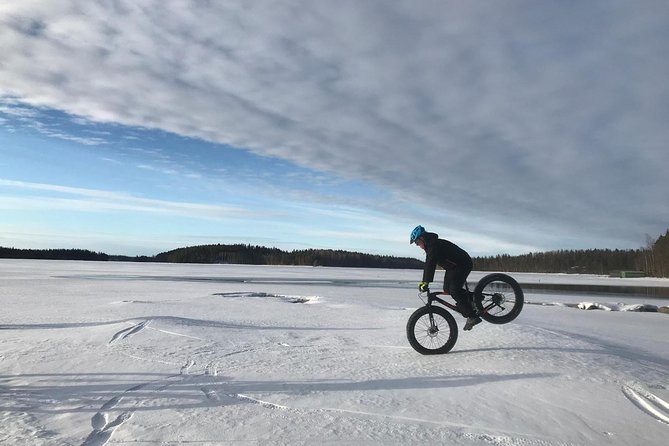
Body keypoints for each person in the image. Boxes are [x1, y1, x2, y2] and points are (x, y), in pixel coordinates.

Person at [410, 225, 481, 331]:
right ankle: (473, 298)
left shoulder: (433, 245)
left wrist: (426, 282)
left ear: (422, 238)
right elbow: (429, 263)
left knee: (454, 290)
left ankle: (472, 316)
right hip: (454, 267)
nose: (417, 245)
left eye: (417, 242)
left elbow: (430, 264)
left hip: (462, 264)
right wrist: (425, 281)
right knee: (447, 289)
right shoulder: (431, 245)